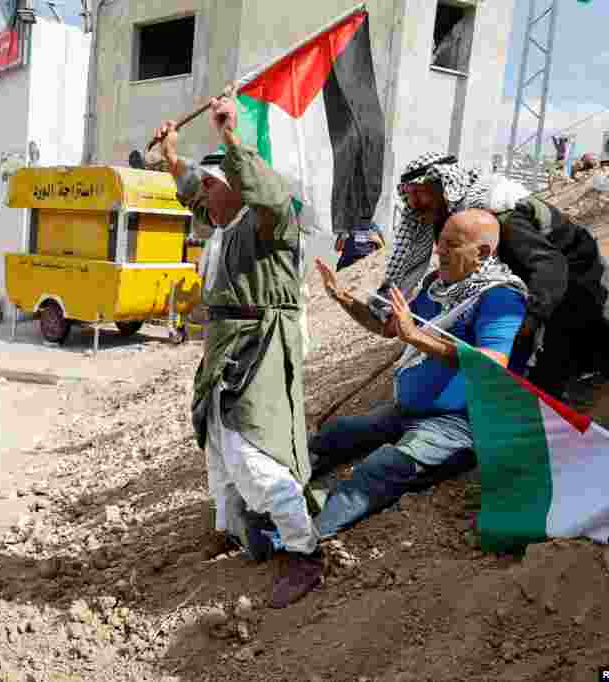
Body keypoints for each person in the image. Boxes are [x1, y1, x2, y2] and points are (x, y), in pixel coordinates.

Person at [155, 90, 322, 609]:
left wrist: (230, 135)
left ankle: (304, 552)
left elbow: (267, 195)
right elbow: (191, 192)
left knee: (256, 457)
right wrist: (173, 156)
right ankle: (228, 532)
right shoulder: (225, 225)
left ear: (238, 187)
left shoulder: (270, 225)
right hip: (226, 348)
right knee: (218, 453)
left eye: (214, 183)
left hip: (262, 348)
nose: (203, 194)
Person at [312, 209, 528, 537]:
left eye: (451, 245)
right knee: (337, 434)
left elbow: (492, 364)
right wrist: (341, 296)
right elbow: (390, 328)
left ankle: (305, 535)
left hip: (458, 424)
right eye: (439, 242)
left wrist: (416, 337)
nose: (438, 251)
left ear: (482, 252)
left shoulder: (501, 297)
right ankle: (276, 494)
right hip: (408, 410)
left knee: (381, 468)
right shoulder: (436, 285)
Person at [374, 151, 609, 400]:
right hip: (532, 272)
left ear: (444, 186)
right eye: (409, 196)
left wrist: (531, 318)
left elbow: (550, 266)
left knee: (562, 351)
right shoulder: (450, 214)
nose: (414, 204)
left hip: (573, 272)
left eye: (420, 193)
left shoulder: (499, 213)